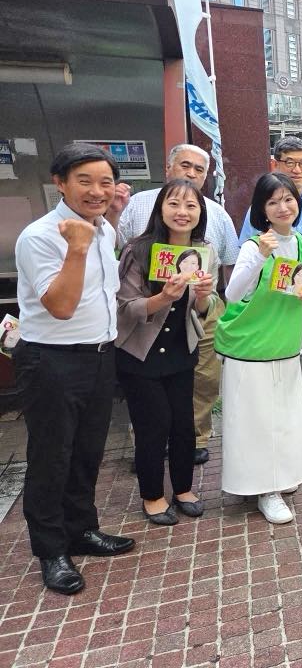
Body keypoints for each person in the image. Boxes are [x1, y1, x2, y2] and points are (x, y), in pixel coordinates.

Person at [14, 143, 135, 595]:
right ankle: (51, 550)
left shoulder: (102, 228)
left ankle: (82, 530)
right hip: (52, 359)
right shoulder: (42, 236)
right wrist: (77, 249)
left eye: (105, 181)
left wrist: (104, 227)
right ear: (60, 183)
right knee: (51, 456)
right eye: (84, 180)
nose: (96, 190)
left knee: (88, 450)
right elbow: (61, 307)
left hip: (100, 356)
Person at [109, 143, 240, 465]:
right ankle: (149, 446)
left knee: (204, 379)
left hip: (198, 309)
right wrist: (113, 213)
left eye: (199, 169)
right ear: (168, 168)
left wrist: (216, 299)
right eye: (185, 165)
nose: (191, 173)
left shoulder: (215, 213)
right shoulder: (138, 204)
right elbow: (112, 246)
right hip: (145, 311)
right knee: (148, 391)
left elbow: (229, 262)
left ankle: (194, 439)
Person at [216, 173, 302, 524]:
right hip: (251, 347)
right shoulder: (253, 245)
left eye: (288, 199)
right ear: (261, 210)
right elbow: (232, 293)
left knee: (285, 417)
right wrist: (259, 256)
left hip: (286, 344)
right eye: (272, 202)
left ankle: (282, 477)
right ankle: (264, 490)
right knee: (255, 421)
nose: (282, 207)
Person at [115, 179, 215, 526]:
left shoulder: (204, 251)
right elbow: (126, 307)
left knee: (184, 424)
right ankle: (153, 495)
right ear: (160, 208)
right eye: (174, 204)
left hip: (179, 349)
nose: (182, 212)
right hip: (140, 354)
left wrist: (203, 295)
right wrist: (164, 298)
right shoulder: (138, 250)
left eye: (191, 206)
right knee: (152, 425)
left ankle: (184, 489)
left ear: (201, 212)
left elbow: (205, 308)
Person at [239, 137, 302, 449]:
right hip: (274, 300)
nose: (297, 169)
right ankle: (282, 424)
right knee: (280, 364)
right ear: (275, 164)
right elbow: (248, 254)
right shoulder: (262, 207)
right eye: (289, 163)